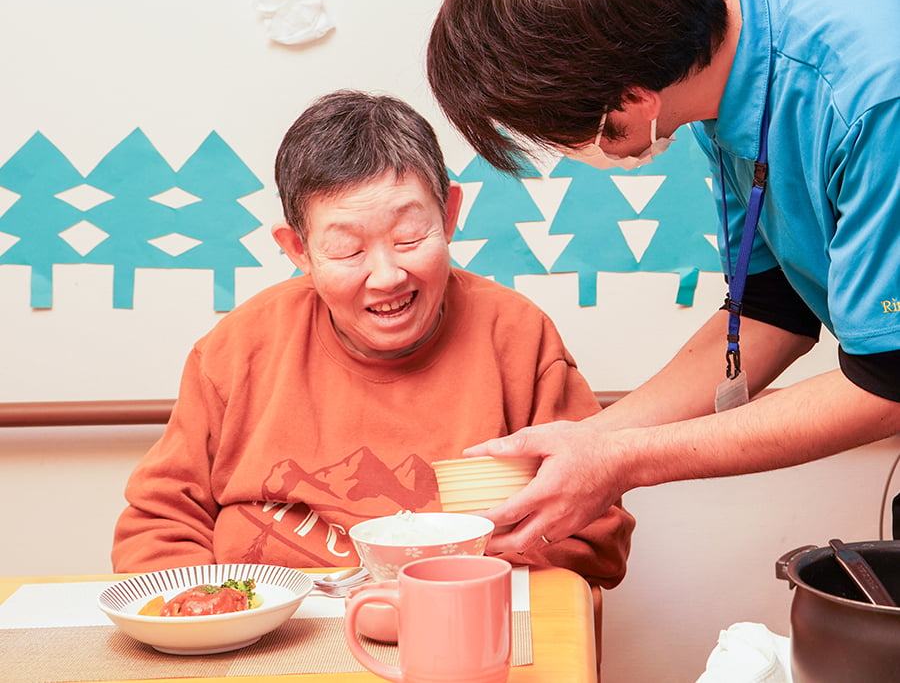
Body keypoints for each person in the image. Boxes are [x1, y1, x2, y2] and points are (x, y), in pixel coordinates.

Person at [425, 0, 900, 552]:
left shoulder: (874, 97)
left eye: (557, 133)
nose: (563, 151)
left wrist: (625, 462)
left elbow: (887, 384)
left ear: (633, 101)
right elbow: (773, 307)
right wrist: (594, 438)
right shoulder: (718, 66)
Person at [112, 89, 634, 659]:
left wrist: (458, 586)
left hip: (463, 642)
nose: (386, 275)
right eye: (346, 249)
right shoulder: (238, 349)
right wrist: (213, 626)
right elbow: (160, 523)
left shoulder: (516, 337)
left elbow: (596, 531)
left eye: (410, 238)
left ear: (451, 215)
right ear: (298, 250)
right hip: (266, 650)